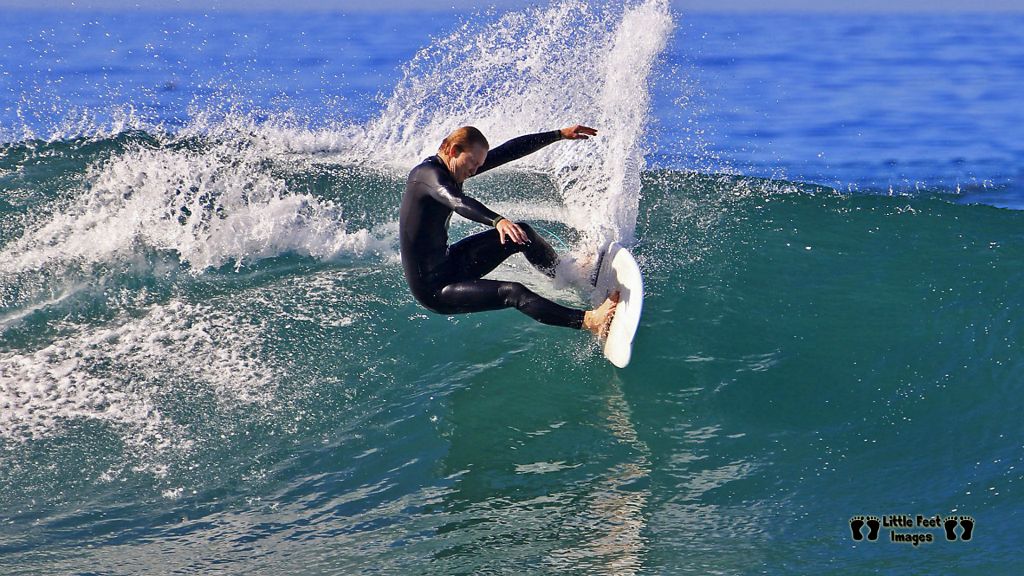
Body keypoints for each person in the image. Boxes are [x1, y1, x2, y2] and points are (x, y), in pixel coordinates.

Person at [399, 124, 618, 337]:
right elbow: (458, 201)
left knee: (521, 234)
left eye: (479, 165)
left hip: (449, 262)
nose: (475, 170)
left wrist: (559, 134)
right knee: (513, 292)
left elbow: (508, 151)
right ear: (453, 150)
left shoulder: (455, 167)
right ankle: (589, 321)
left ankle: (564, 274)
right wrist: (497, 221)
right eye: (473, 164)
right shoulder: (427, 175)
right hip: (435, 288)